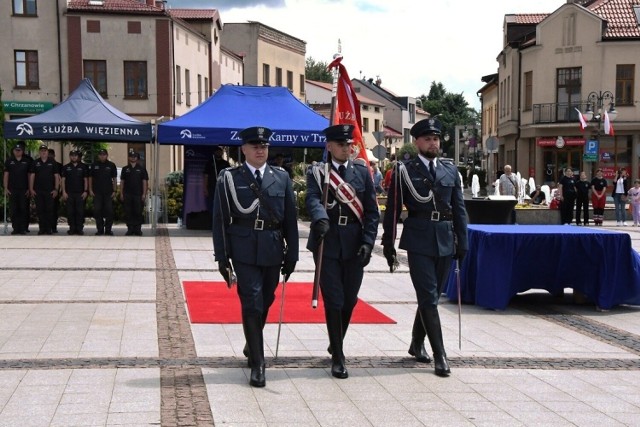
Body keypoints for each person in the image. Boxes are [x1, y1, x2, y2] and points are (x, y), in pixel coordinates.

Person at [212, 126, 298, 388]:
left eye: (264, 146)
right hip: (243, 248)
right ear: (244, 149)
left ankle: (252, 342)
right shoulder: (229, 178)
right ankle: (259, 364)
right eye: (255, 146)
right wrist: (222, 257)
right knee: (251, 302)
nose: (261, 150)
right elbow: (220, 220)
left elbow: (290, 220)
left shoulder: (281, 177)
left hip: (272, 247)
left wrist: (292, 253)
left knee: (267, 298)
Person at [381, 117, 468, 377]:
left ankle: (416, 342)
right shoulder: (404, 170)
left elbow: (459, 209)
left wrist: (463, 241)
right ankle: (440, 354)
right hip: (418, 239)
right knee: (429, 297)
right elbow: (393, 209)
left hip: (444, 237)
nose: (433, 143)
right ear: (417, 142)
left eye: (436, 138)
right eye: (428, 138)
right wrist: (388, 242)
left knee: (432, 297)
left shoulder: (450, 171)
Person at [306, 124, 379, 379]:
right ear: (329, 146)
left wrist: (369, 242)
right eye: (340, 144)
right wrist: (319, 217)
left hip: (354, 242)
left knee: (350, 300)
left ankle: (335, 339)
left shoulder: (361, 171)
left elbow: (371, 211)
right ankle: (338, 355)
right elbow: (312, 198)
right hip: (327, 241)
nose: (346, 149)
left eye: (349, 145)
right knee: (335, 300)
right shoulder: (318, 172)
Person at [29, 145, 61, 235]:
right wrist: (31, 188)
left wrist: (56, 189)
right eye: (42, 151)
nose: (43, 152)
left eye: (45, 151)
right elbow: (32, 176)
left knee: (49, 210)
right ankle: (42, 228)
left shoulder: (52, 163)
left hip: (50, 191)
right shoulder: (35, 163)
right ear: (39, 152)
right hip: (38, 191)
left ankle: (49, 228)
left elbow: (56, 176)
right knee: (40, 210)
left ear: (47, 152)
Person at [3, 143, 33, 235]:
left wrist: (29, 188)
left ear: (22, 151)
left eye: (19, 150)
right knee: (14, 210)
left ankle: (23, 228)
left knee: (23, 209)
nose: (17, 152)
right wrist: (5, 188)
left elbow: (29, 176)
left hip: (24, 189)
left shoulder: (27, 161)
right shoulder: (9, 161)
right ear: (13, 151)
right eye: (16, 150)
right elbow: (6, 175)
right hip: (12, 189)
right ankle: (15, 228)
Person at [89, 149, 118, 235]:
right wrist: (90, 189)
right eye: (101, 154)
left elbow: (115, 179)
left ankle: (108, 229)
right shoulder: (94, 165)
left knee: (109, 211)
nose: (102, 156)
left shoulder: (111, 165)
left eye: (104, 154)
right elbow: (90, 178)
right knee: (97, 211)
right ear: (98, 156)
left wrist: (114, 190)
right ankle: (100, 229)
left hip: (108, 192)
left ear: (107, 155)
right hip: (97, 192)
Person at [120, 150, 149, 236]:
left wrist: (144, 193)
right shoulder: (125, 169)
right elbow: (122, 182)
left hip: (138, 194)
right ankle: (130, 228)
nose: (133, 158)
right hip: (127, 194)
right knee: (128, 212)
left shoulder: (142, 169)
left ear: (137, 158)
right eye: (131, 156)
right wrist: (121, 193)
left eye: (135, 156)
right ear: (129, 158)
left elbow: (145, 182)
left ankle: (138, 229)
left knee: (138, 212)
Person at [61, 149, 90, 235]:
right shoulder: (66, 167)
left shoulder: (83, 167)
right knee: (70, 212)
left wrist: (85, 191)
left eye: (75, 155)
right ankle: (72, 228)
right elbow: (63, 180)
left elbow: (86, 180)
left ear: (78, 157)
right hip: (69, 193)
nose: (74, 157)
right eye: (72, 155)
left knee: (80, 212)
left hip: (80, 193)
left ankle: (79, 228)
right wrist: (64, 192)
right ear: (70, 156)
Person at [203, 146, 230, 212]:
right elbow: (206, 176)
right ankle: (212, 218)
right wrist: (205, 188)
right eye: (217, 151)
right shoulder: (210, 163)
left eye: (220, 151)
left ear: (222, 153)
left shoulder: (225, 163)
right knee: (212, 203)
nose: (218, 153)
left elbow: (229, 176)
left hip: (223, 186)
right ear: (214, 152)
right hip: (212, 187)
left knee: (223, 203)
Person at [48, 148, 63, 233]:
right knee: (45, 210)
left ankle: (53, 227)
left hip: (56, 191)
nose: (50, 156)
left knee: (54, 210)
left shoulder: (59, 165)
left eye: (51, 154)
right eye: (48, 154)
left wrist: (59, 191)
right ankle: (46, 227)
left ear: (54, 155)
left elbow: (62, 179)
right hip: (45, 190)